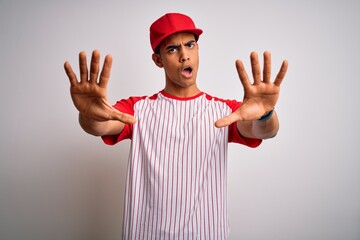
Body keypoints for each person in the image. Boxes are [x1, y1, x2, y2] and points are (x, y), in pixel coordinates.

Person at [64, 12, 288, 240]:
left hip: (206, 233)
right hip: (145, 234)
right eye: (172, 49)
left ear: (198, 50)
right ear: (158, 60)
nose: (184, 55)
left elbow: (265, 130)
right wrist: (88, 113)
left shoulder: (225, 112)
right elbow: (99, 125)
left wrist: (265, 113)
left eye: (190, 45)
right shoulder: (137, 109)